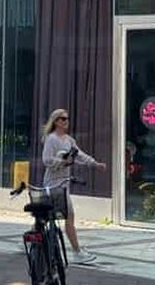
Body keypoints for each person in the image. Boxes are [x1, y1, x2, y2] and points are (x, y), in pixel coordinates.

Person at [42, 108, 107, 265]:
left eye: (67, 118)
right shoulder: (51, 139)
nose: (66, 121)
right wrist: (62, 162)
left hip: (64, 183)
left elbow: (79, 155)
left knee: (46, 215)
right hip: (53, 183)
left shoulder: (69, 140)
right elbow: (46, 160)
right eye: (63, 119)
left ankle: (32, 239)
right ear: (56, 121)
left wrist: (94, 164)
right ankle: (77, 252)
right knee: (68, 215)